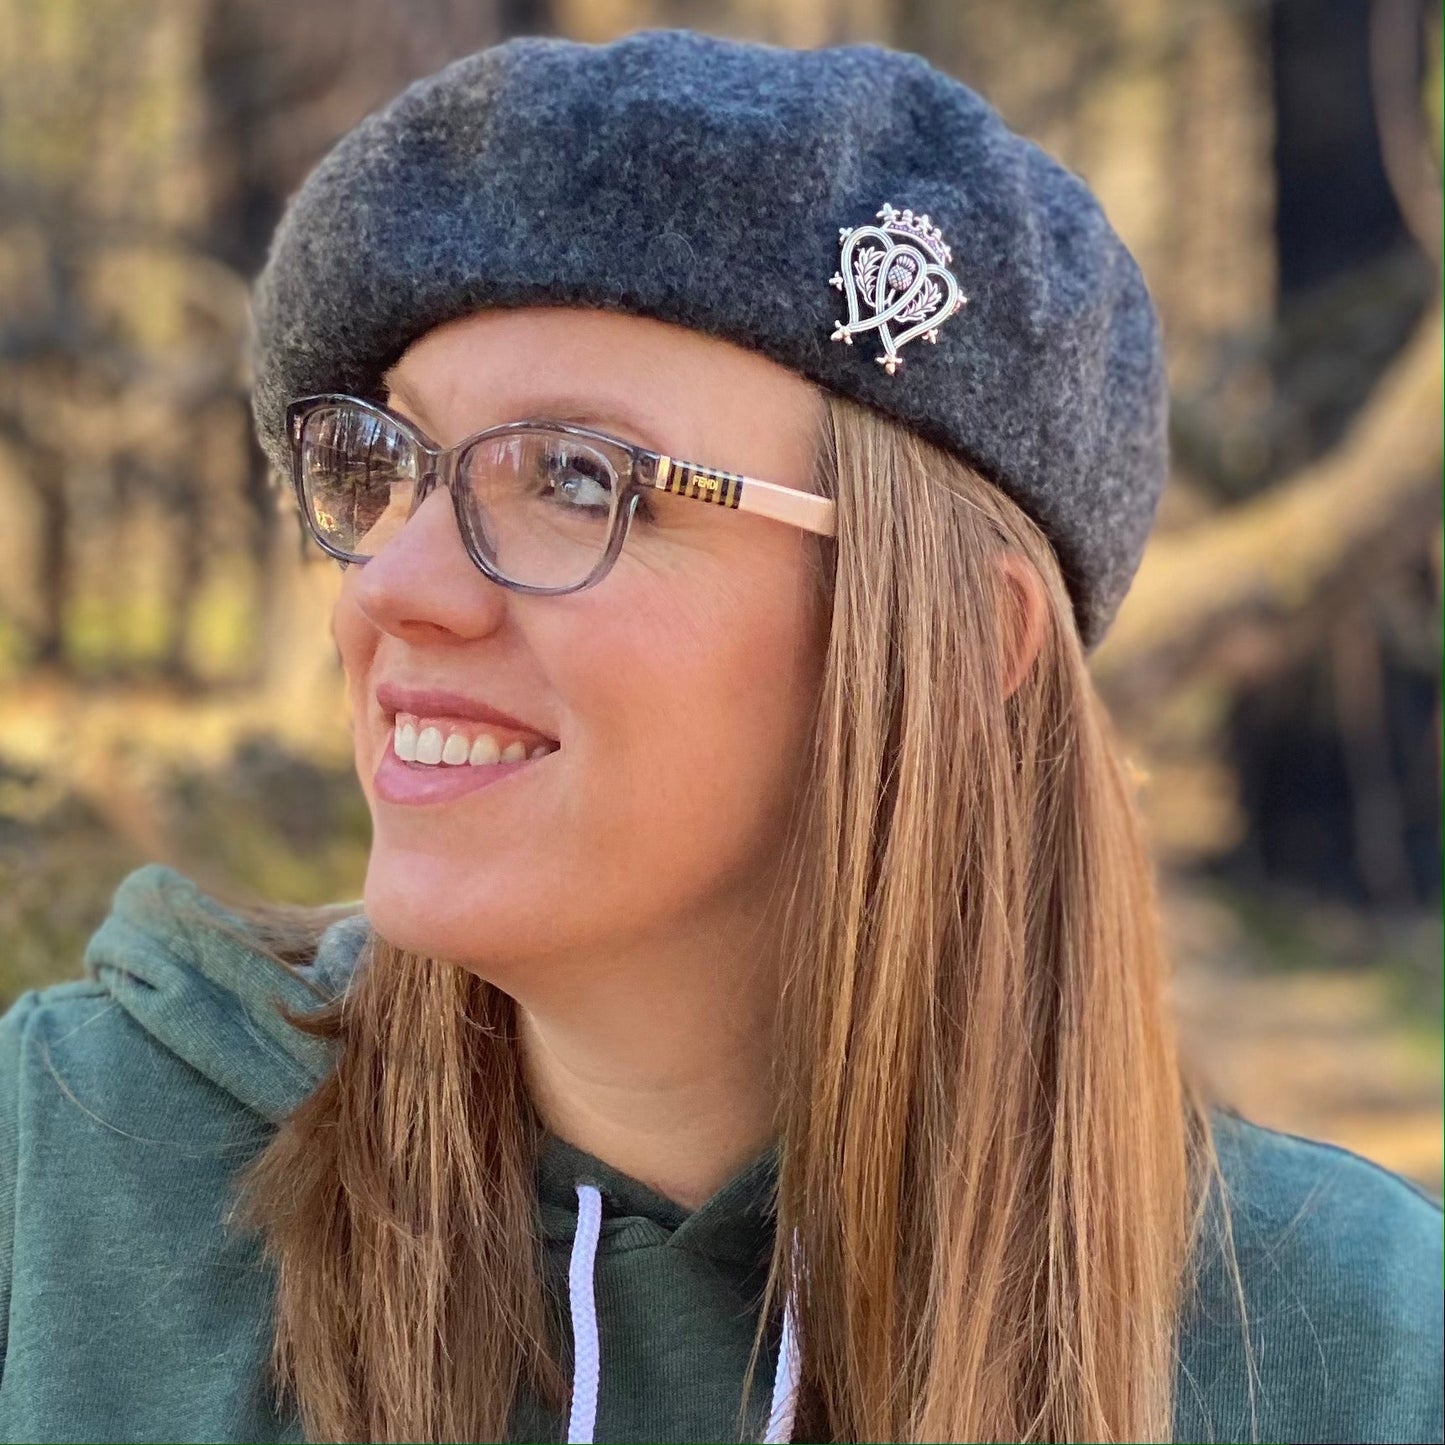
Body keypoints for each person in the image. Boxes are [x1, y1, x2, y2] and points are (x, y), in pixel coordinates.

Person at [0, 28, 1439, 1445]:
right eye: (386, 468)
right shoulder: (72, 1174)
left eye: (574, 477)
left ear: (971, 643)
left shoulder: (1351, 1346)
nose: (392, 584)